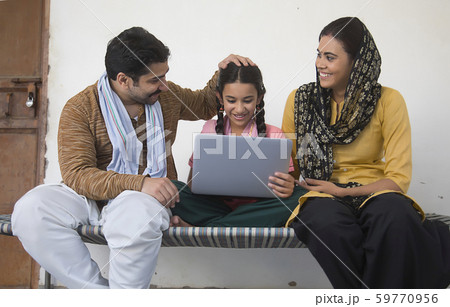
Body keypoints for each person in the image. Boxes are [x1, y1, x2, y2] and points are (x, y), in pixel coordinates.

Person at [11, 26, 253, 289]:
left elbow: (205, 104)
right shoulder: (80, 108)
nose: (163, 85)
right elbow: (77, 174)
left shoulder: (165, 97)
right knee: (30, 209)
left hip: (141, 202)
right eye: (154, 80)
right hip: (91, 198)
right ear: (124, 80)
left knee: (135, 212)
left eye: (164, 76)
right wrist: (139, 182)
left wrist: (222, 72)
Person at [282, 17, 450, 289]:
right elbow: (292, 167)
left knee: (396, 217)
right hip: (319, 192)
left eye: (330, 57)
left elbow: (398, 179)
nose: (319, 64)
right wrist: (288, 180)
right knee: (325, 224)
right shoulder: (300, 101)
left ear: (356, 62)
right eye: (318, 54)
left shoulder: (388, 100)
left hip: (375, 190)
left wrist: (343, 191)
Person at [170, 63, 306, 227]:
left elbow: (285, 187)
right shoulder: (209, 129)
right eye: (231, 100)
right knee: (172, 188)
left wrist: (288, 187)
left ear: (259, 98)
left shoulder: (275, 134)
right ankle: (231, 223)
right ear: (220, 98)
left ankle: (209, 227)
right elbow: (192, 184)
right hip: (214, 207)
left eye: (247, 100)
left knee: (302, 197)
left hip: (259, 208)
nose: (239, 109)